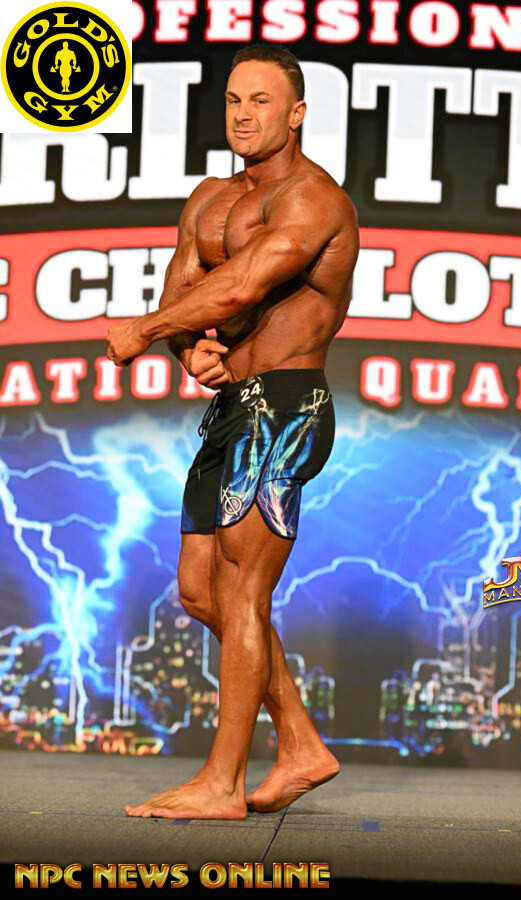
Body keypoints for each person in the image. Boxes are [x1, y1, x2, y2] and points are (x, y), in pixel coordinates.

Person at [106, 43, 360, 820]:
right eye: (233, 100)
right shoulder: (210, 199)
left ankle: (221, 783)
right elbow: (187, 291)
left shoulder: (315, 200)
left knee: (245, 592)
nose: (244, 115)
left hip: (285, 404)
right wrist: (189, 350)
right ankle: (301, 746)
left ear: (297, 112)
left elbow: (244, 284)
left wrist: (144, 331)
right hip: (230, 408)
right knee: (199, 590)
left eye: (261, 101)